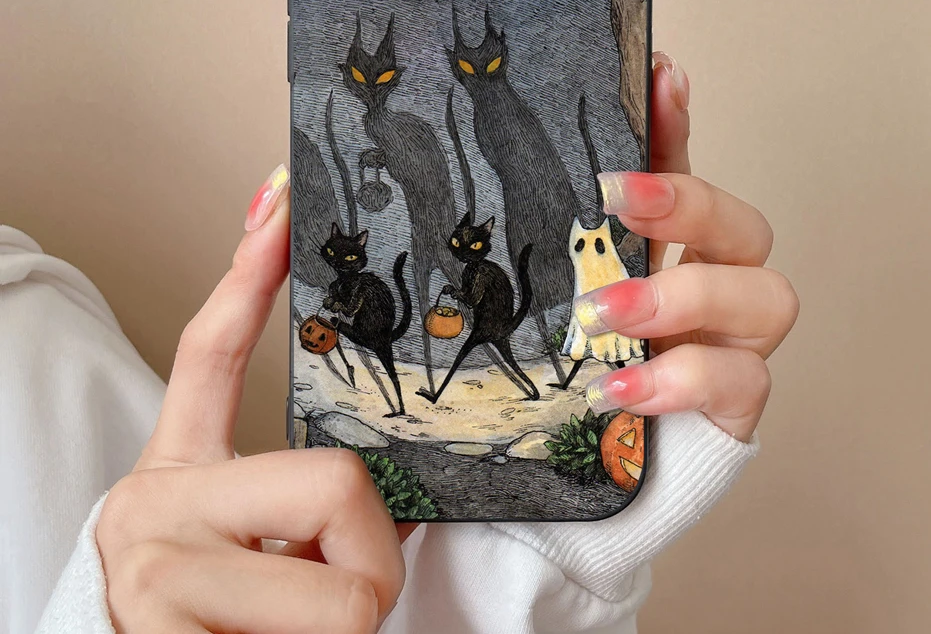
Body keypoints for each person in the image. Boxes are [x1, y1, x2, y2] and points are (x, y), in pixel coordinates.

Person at [0, 54, 798, 634]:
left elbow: (352, 597)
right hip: (440, 314)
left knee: (479, 352)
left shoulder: (33, 344)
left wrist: (545, 556)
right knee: (464, 354)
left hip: (480, 321)